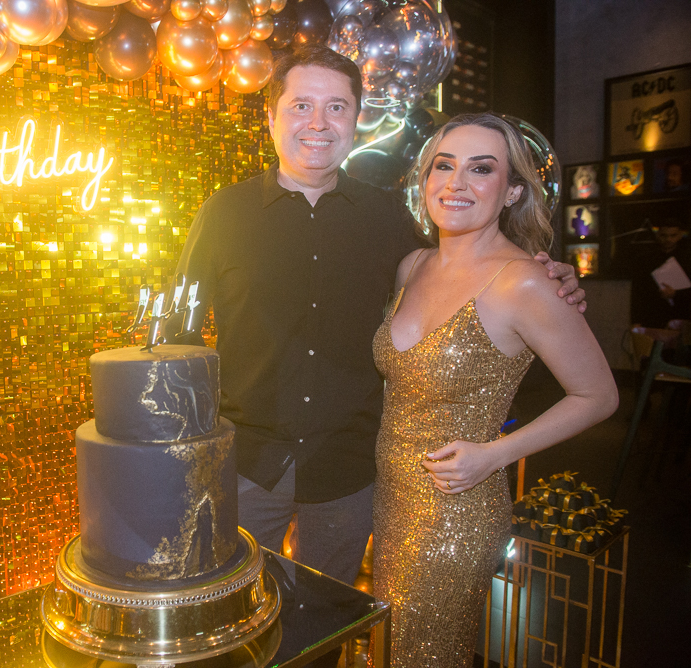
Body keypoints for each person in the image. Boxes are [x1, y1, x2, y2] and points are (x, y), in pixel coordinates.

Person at [168, 44, 585, 587]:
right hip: (247, 466)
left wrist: (548, 277)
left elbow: (462, 271)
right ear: (270, 117)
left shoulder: (391, 217)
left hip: (351, 471)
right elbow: (179, 338)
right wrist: (189, 458)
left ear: (356, 120)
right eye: (301, 106)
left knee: (332, 614)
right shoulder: (223, 213)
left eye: (337, 107)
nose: (319, 123)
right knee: (237, 610)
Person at [371, 112, 618, 667]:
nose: (456, 183)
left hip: (456, 511)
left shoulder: (523, 281)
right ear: (424, 180)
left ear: (512, 192)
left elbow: (599, 396)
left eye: (481, 169)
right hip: (390, 497)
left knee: (426, 655)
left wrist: (496, 454)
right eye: (444, 166)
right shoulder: (413, 266)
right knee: (387, 649)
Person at [622, 218, 691, 328]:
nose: (668, 239)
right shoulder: (646, 259)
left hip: (682, 316)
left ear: (680, 235)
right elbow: (638, 292)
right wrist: (636, 321)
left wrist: (676, 294)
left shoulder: (687, 259)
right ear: (658, 235)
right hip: (653, 316)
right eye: (664, 235)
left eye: (673, 235)